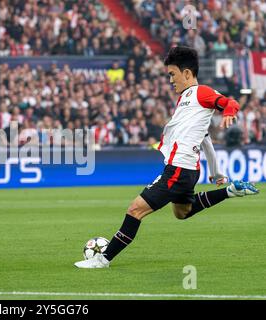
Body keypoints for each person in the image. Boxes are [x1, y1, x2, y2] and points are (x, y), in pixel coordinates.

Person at [75, 46, 259, 268]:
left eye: (172, 74)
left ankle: (102, 259)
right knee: (183, 212)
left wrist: (229, 112)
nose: (171, 80)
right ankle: (231, 191)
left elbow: (229, 103)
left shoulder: (200, 92)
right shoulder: (186, 99)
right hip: (186, 170)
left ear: (187, 74)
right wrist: (216, 171)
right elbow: (205, 138)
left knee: (135, 209)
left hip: (179, 168)